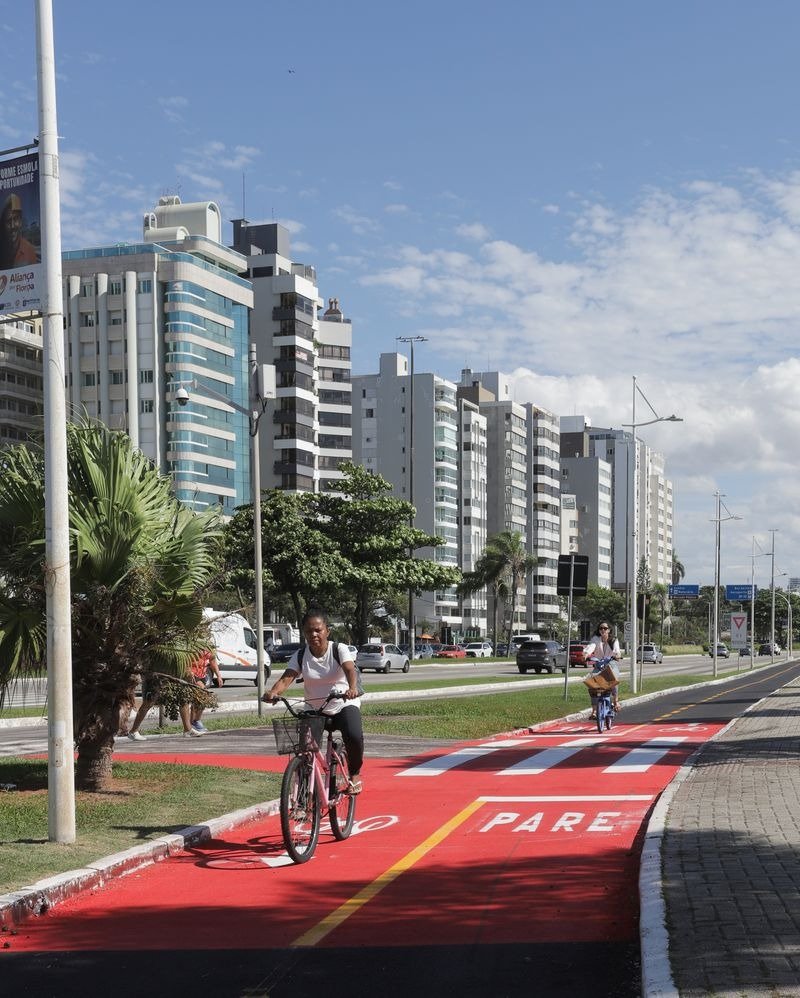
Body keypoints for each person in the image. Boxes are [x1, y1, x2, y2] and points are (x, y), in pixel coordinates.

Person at [263, 609, 364, 793]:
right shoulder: (301, 655)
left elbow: (350, 669)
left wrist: (352, 688)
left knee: (354, 735)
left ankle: (355, 774)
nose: (314, 635)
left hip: (342, 703)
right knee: (304, 752)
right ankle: (302, 799)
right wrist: (273, 693)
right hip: (314, 709)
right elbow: (287, 678)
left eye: (318, 630)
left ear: (327, 631)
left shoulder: (338, 649)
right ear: (304, 633)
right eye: (309, 631)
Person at [583, 622, 622, 717]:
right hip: (598, 664)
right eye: (601, 628)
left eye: (605, 628)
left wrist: (617, 655)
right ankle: (594, 711)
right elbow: (590, 647)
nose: (603, 630)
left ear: (609, 630)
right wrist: (586, 654)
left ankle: (616, 701)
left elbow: (617, 650)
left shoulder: (613, 639)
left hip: (610, 663)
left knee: (614, 679)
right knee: (591, 683)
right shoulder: (596, 639)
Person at [186, 647, 222, 734]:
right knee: (203, 695)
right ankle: (195, 722)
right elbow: (185, 660)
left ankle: (194, 721)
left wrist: (219, 676)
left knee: (198, 699)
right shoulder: (193, 645)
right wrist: (188, 670)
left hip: (202, 675)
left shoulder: (209, 648)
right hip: (192, 674)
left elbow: (213, 662)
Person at [0, 193, 38, 269]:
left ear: (20, 221)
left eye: (15, 219)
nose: (13, 226)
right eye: (8, 221)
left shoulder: (29, 250)